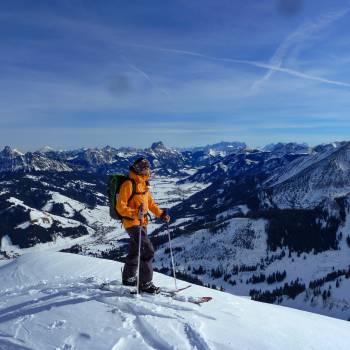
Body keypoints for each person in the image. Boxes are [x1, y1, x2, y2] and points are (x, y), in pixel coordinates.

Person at [116, 157, 170, 294]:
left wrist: (161, 214)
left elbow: (150, 204)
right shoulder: (129, 184)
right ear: (137, 168)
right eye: (143, 167)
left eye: (147, 167)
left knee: (136, 249)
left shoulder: (144, 184)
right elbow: (120, 207)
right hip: (132, 223)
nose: (146, 169)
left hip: (142, 222)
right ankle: (145, 284)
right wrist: (135, 214)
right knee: (147, 250)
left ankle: (128, 278)